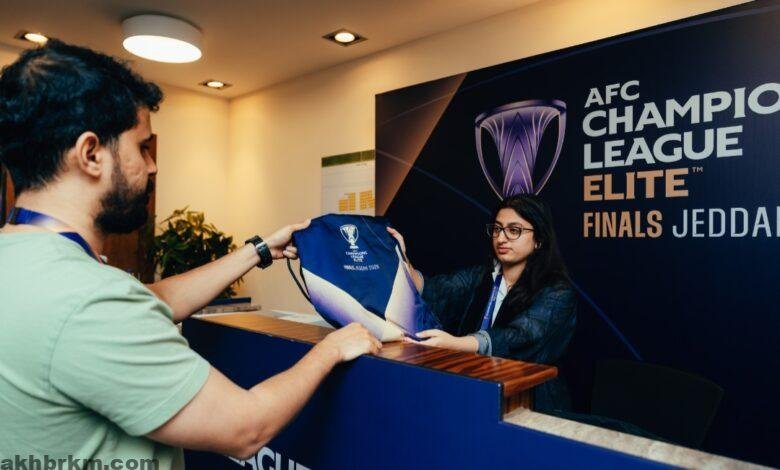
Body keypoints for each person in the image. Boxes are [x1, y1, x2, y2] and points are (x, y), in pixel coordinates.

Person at [0, 40, 381, 466]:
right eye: (142, 147)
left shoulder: (25, 262)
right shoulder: (90, 300)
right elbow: (246, 427)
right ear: (90, 154)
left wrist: (258, 250)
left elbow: (152, 299)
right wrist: (332, 349)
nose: (152, 165)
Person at [388, 194, 576, 411]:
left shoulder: (558, 292)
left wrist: (458, 344)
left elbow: (521, 336)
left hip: (529, 401)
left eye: (514, 230)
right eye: (497, 229)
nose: (501, 238)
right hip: (476, 390)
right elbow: (434, 290)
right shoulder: (482, 276)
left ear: (539, 240)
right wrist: (402, 258)